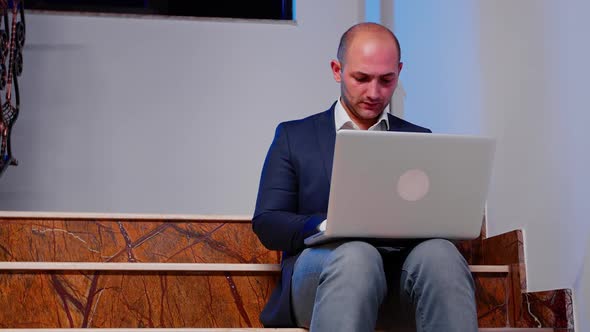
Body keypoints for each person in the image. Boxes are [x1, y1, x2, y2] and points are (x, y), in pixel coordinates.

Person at [252, 22, 477, 332]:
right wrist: (326, 226)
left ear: (399, 71)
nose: (374, 93)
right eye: (361, 78)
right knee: (357, 256)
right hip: (323, 277)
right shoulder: (294, 136)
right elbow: (268, 221)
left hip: (400, 282)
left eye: (386, 80)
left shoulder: (419, 139)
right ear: (336, 69)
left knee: (442, 255)